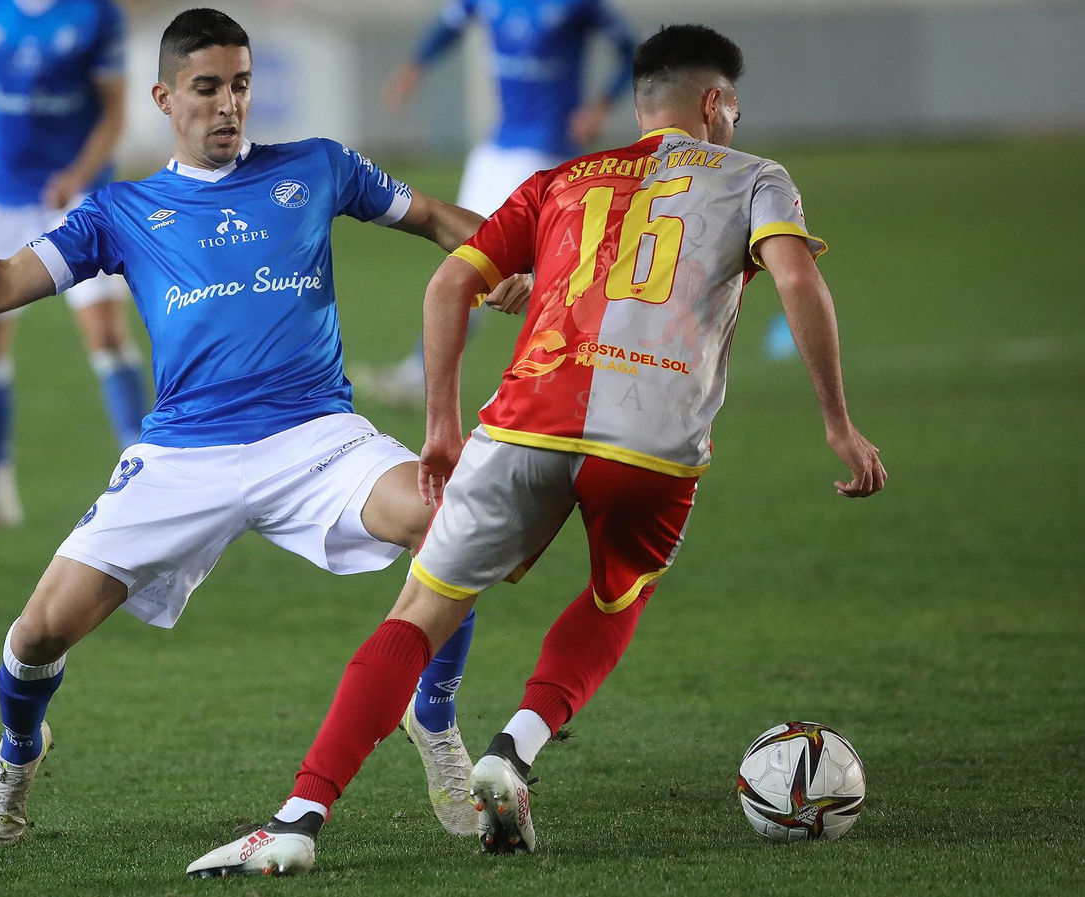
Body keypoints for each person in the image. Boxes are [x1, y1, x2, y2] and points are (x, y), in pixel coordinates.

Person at [189, 23, 887, 877]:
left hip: (522, 423)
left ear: (638, 106)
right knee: (617, 595)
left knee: (417, 614)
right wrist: (838, 423)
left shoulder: (563, 178)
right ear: (714, 103)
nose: (734, 123)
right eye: (733, 108)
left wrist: (442, 424)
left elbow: (451, 281)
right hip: (650, 446)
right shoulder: (756, 178)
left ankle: (298, 819)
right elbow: (798, 278)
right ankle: (513, 750)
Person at [0, 7, 534, 848]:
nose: (228, 106)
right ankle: (19, 749)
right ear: (165, 97)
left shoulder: (317, 168)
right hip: (183, 453)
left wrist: (504, 259)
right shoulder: (121, 211)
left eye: (240, 86)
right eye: (207, 88)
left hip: (316, 437)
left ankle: (431, 715)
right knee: (36, 635)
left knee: (454, 517)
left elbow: (438, 218)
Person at [0, 0, 149, 537]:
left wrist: (80, 174)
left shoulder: (95, 15)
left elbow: (116, 111)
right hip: (2, 195)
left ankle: (147, 483)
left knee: (105, 331)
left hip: (77, 196)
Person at [357, 0, 636, 407]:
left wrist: (601, 105)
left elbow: (631, 49)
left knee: (515, 268)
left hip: (545, 151)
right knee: (476, 260)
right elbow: (449, 26)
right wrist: (415, 66)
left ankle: (597, 372)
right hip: (497, 147)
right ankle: (424, 373)